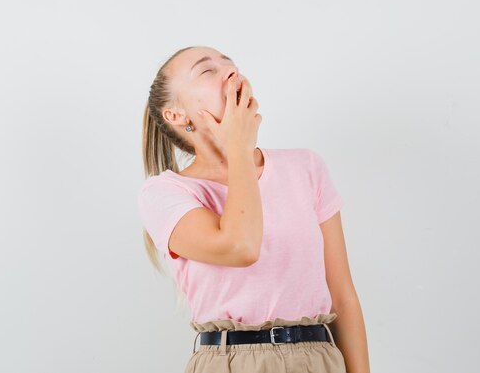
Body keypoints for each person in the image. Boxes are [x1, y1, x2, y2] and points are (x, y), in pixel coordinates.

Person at [137, 46, 370, 373]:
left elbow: (343, 297)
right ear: (176, 114)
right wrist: (238, 149)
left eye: (230, 64)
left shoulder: (306, 168)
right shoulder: (165, 193)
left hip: (318, 358)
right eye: (207, 71)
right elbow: (240, 247)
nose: (230, 72)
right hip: (229, 362)